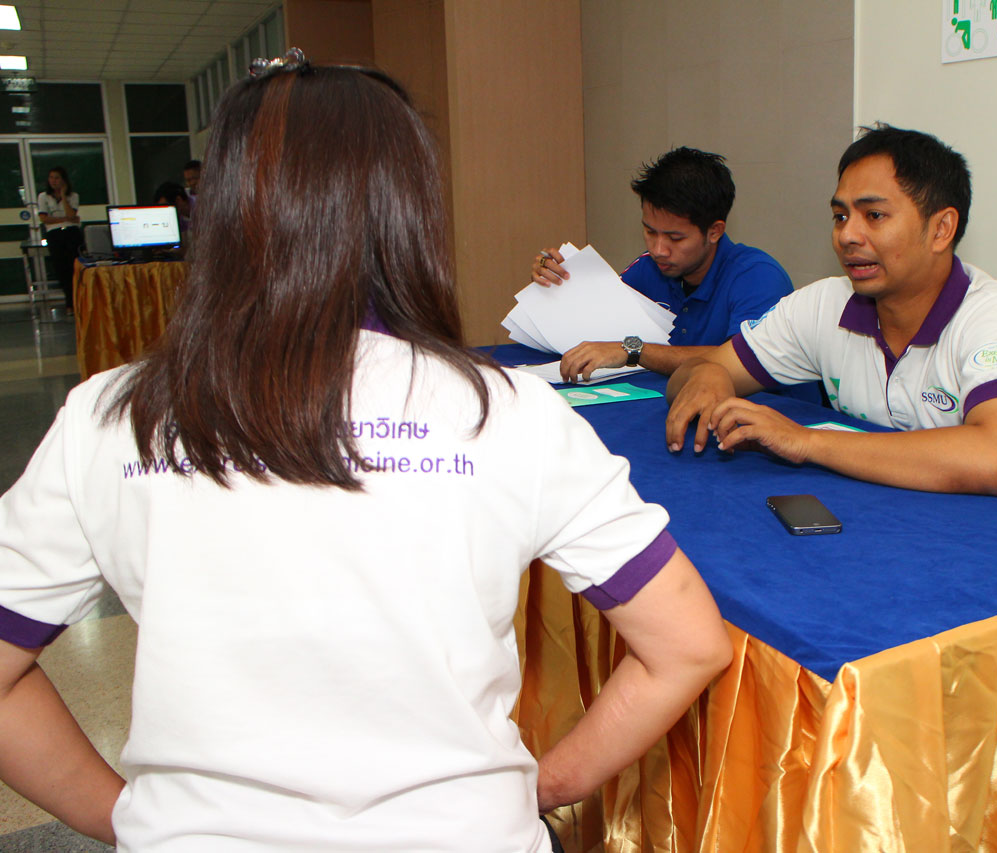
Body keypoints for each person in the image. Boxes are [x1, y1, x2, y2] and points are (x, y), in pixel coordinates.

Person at [0, 54, 731, 851]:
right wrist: (540, 788)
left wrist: (123, 817)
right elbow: (688, 644)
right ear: (408, 209)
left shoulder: (112, 415)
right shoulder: (506, 412)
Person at [665, 124, 997, 496]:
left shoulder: (996, 312)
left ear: (941, 229)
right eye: (840, 216)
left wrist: (806, 441)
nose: (847, 235)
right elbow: (687, 380)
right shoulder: (823, 304)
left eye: (874, 216)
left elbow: (995, 459)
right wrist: (707, 375)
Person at [531, 147, 792, 382]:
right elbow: (594, 324)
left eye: (675, 238)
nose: (658, 250)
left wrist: (634, 350)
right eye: (649, 231)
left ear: (714, 231)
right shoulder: (648, 268)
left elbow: (741, 362)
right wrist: (556, 284)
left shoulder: (758, 277)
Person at [36, 166, 81, 313]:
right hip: (54, 234)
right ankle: (69, 302)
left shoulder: (73, 196)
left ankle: (77, 301)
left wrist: (63, 195)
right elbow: (44, 218)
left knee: (74, 267)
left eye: (57, 178)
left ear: (63, 180)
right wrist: (65, 219)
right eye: (51, 178)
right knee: (61, 268)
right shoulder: (43, 196)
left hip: (71, 233)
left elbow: (72, 214)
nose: (53, 181)